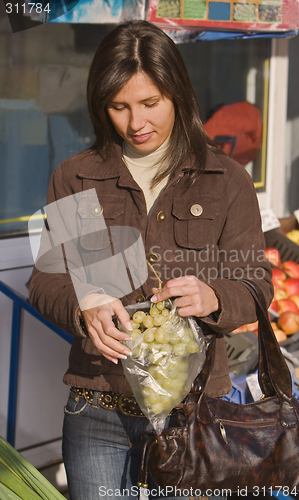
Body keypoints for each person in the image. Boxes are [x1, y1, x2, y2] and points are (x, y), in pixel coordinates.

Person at [29, 20, 273, 500]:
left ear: (177, 94)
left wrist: (214, 295)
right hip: (98, 401)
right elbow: (45, 282)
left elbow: (256, 284)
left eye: (150, 103)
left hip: (194, 410)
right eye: (118, 107)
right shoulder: (79, 177)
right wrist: (85, 306)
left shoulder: (224, 179)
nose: (135, 122)